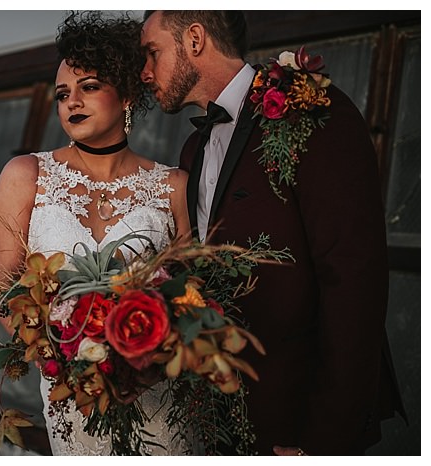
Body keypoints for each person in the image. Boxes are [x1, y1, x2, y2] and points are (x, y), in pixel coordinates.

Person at [140, 10, 406, 456]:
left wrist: (322, 444)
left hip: (298, 422)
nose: (145, 72)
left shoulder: (311, 111)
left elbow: (354, 280)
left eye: (152, 53)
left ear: (195, 39)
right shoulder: (193, 149)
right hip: (219, 418)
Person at [0, 11, 191, 455]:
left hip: (159, 398)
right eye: (63, 94)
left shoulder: (174, 186)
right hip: (70, 397)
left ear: (128, 94)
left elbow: (189, 293)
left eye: (89, 87)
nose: (72, 102)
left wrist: (142, 366)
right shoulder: (25, 175)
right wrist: (66, 361)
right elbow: (3, 293)